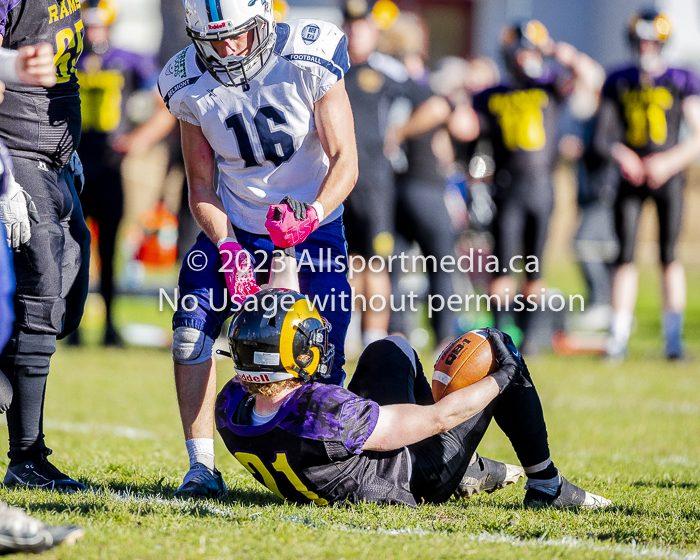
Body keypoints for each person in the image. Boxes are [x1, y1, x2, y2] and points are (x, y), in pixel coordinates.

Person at [158, 0, 358, 498]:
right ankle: (200, 466)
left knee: (322, 348)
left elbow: (345, 160)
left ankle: (319, 459)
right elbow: (201, 186)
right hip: (238, 225)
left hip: (312, 221)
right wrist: (226, 245)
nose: (226, 48)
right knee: (190, 334)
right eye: (214, 39)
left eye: (238, 35)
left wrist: (310, 216)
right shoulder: (186, 80)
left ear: (264, 20)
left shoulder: (309, 55)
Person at [215, 288, 611, 509]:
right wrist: (502, 377)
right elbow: (437, 418)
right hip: (411, 476)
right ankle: (547, 485)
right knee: (497, 348)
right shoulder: (323, 413)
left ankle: (469, 468)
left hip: (344, 457)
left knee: (388, 349)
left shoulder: (231, 405)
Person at [457, 20, 603, 353]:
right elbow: (465, 127)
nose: (524, 58)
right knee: (503, 267)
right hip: (507, 186)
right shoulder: (493, 93)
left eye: (529, 50)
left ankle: (529, 338)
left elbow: (592, 78)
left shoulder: (549, 85)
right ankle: (499, 335)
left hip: (542, 186)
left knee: (535, 269)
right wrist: (463, 90)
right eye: (519, 51)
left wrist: (556, 50)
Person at [0, 0, 90, 492]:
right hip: (13, 153)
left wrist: (67, 150)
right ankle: (27, 457)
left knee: (67, 305)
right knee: (40, 294)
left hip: (53, 158)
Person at [595, 10, 700, 360]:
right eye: (641, 41)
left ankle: (673, 338)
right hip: (631, 177)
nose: (645, 47)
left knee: (669, 255)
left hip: (667, 175)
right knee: (624, 256)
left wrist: (668, 162)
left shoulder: (681, 78)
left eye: (651, 41)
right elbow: (603, 137)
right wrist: (624, 155)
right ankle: (618, 336)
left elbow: (698, 136)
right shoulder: (619, 79)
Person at [72, 0, 159, 346]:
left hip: (109, 166)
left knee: (108, 250)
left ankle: (109, 324)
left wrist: (139, 138)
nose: (94, 33)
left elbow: (164, 98)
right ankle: (73, 325)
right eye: (88, 26)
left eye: (99, 26)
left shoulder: (127, 58)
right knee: (74, 250)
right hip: (74, 166)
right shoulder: (70, 56)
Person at [341, 0, 403, 348]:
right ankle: (347, 333)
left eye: (361, 25)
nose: (354, 31)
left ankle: (375, 339)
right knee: (346, 260)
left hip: (375, 183)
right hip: (338, 181)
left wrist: (400, 133)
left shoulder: (388, 71)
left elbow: (429, 101)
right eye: (349, 25)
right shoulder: (332, 69)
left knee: (375, 262)